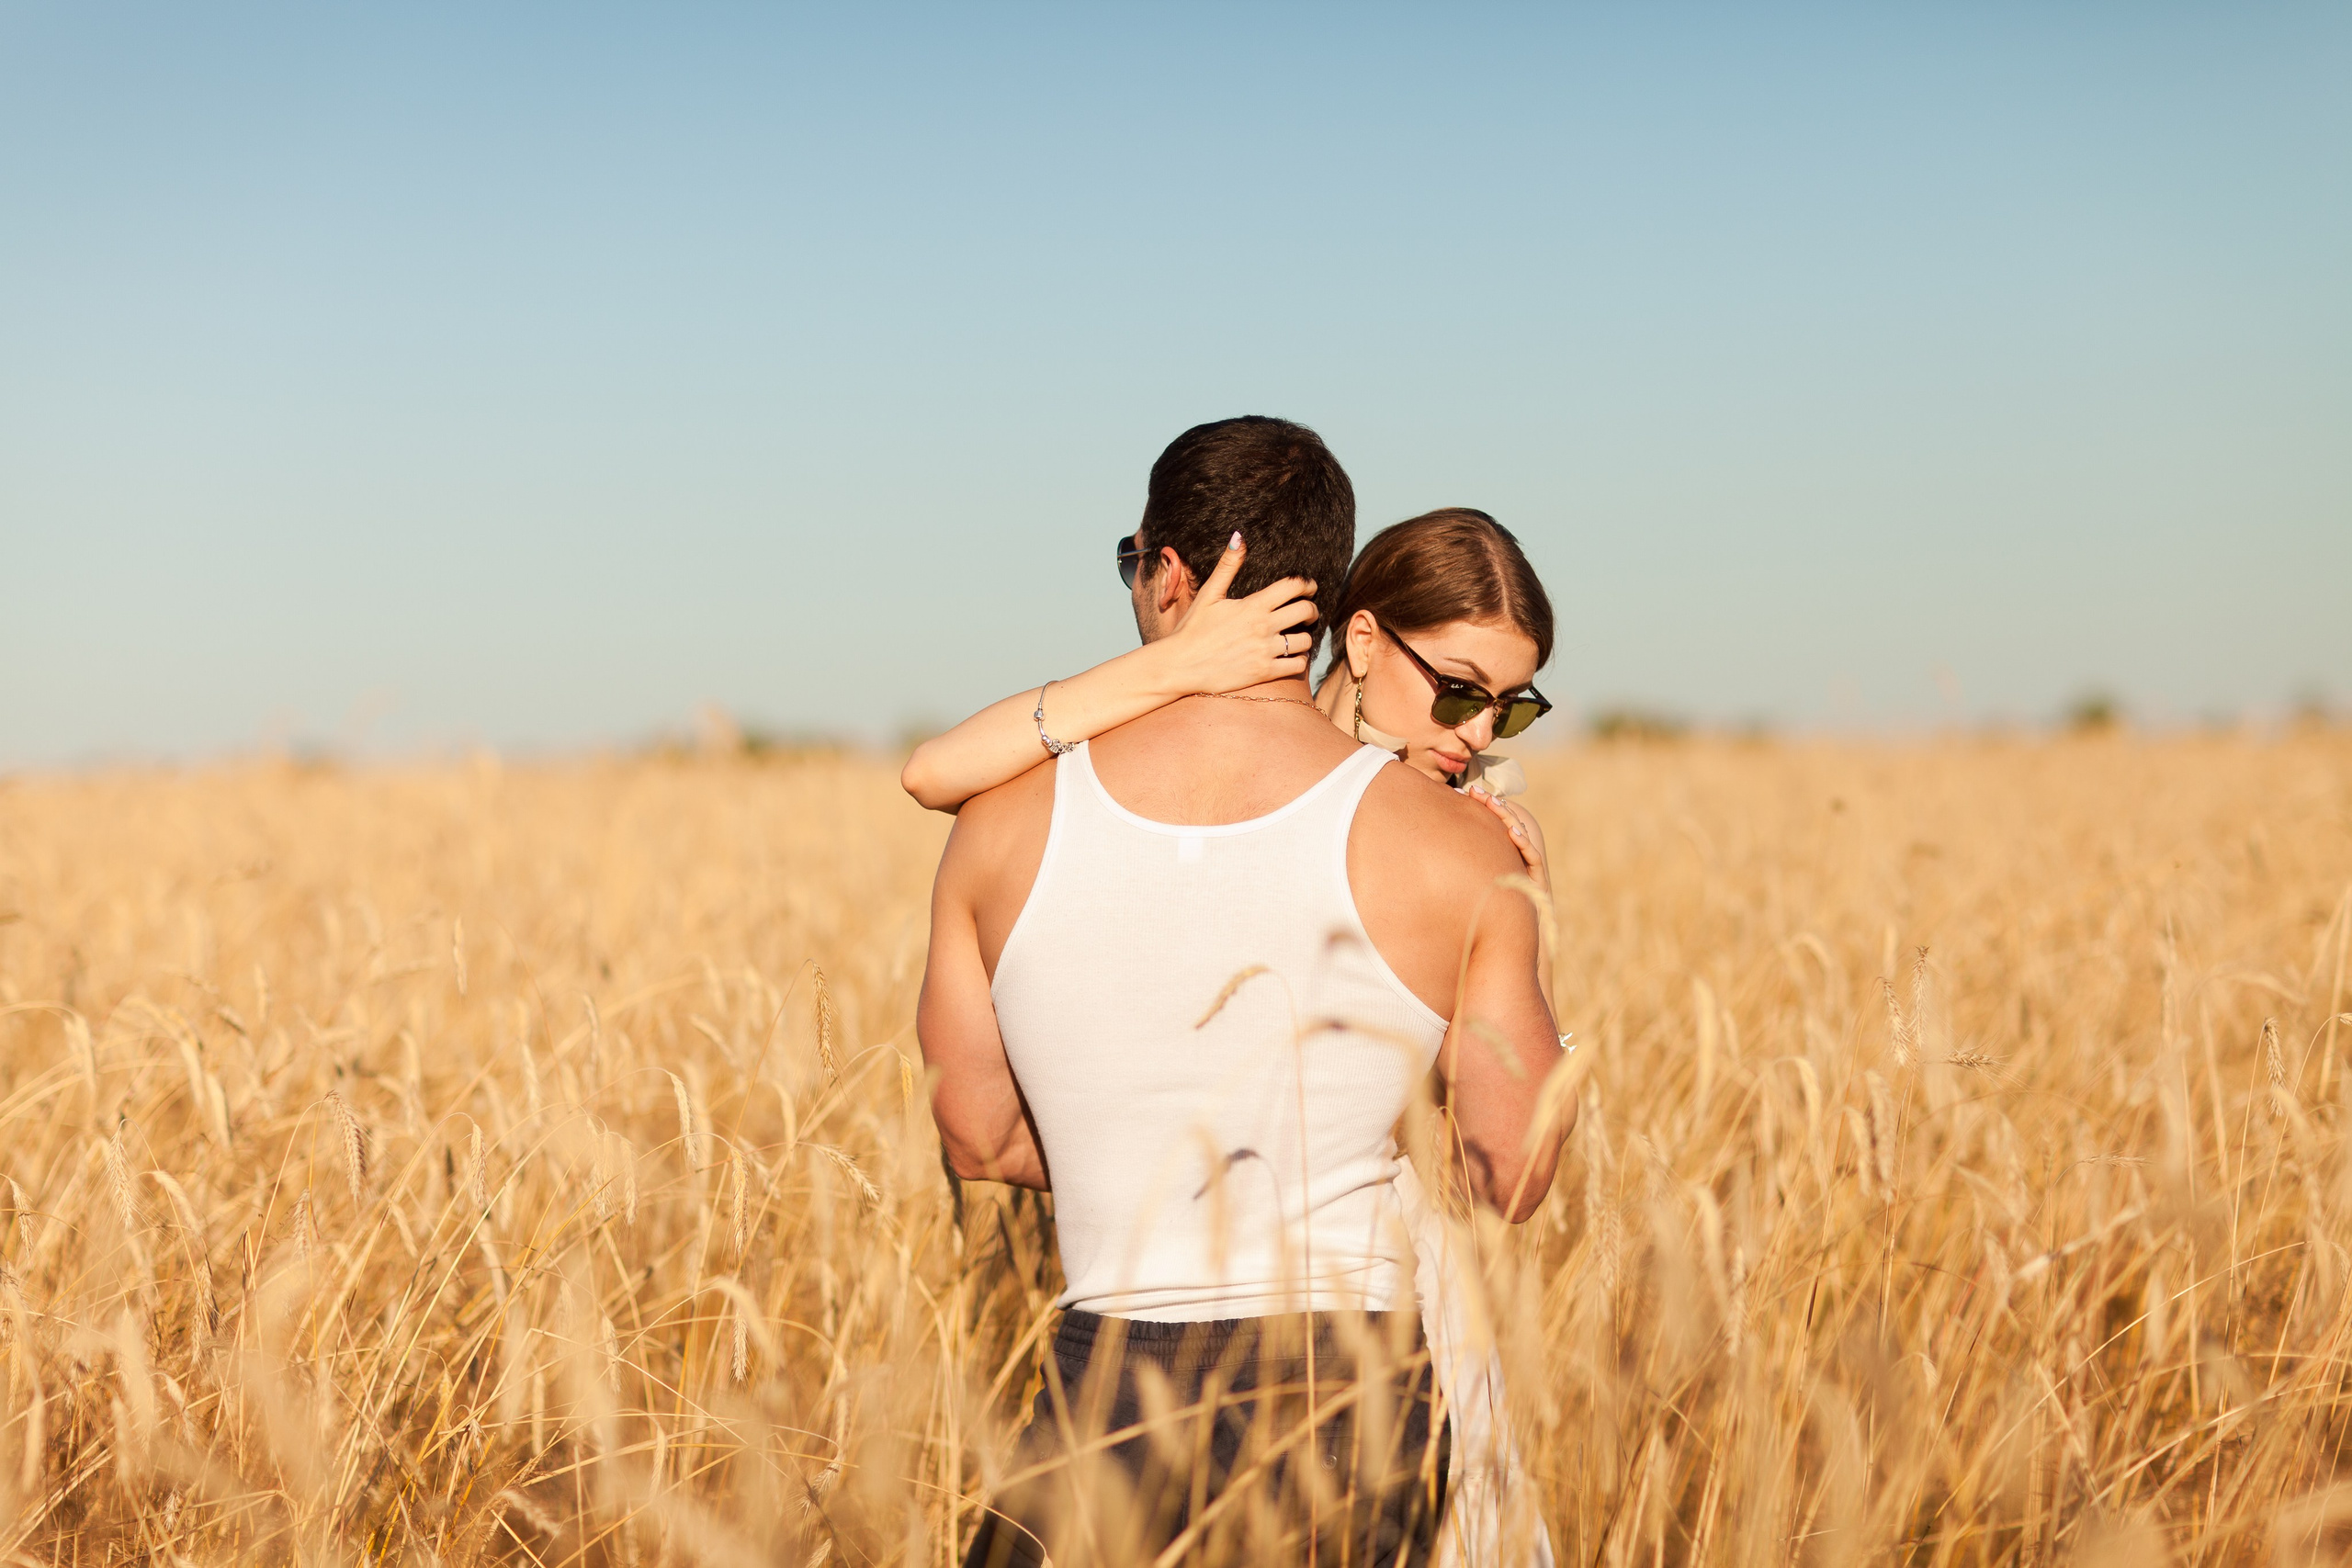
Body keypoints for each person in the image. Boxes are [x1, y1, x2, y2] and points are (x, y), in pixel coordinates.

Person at [917, 416, 1570, 1566]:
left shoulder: (996, 827)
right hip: (1352, 1400)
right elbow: (1508, 1174)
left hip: (1107, 1381)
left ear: (1168, 574)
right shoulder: (1463, 853)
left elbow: (977, 1135)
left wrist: (1145, 1161)